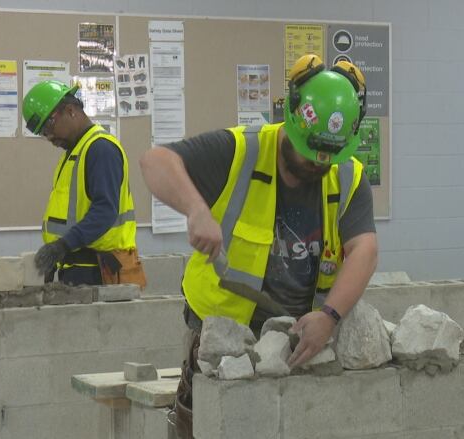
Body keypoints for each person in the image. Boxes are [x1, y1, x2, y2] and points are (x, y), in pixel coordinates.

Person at [140, 54, 378, 438]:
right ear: (292, 121)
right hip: (222, 336)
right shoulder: (239, 151)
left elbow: (364, 249)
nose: (318, 165)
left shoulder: (347, 176)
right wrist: (197, 209)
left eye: (328, 157)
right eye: (309, 152)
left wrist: (329, 316)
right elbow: (156, 161)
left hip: (296, 340)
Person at [22, 80, 146, 287]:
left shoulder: (100, 149)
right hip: (78, 269)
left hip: (99, 271)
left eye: (49, 126)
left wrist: (63, 245)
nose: (49, 136)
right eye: (43, 133)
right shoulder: (75, 152)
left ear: (70, 110)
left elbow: (105, 210)